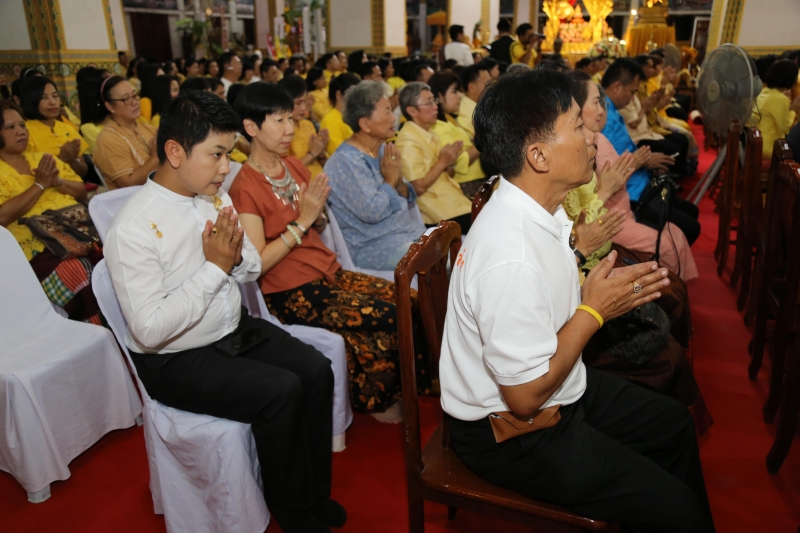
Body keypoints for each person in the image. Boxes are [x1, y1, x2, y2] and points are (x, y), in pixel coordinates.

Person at [440, 68, 715, 532]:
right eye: (578, 125)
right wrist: (594, 309)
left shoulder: (531, 208)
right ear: (539, 155)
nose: (593, 138)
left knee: (673, 425)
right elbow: (524, 398)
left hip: (562, 388)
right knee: (679, 511)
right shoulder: (509, 256)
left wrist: (582, 260)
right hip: (515, 434)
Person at [104, 90, 344, 533]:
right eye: (216, 155)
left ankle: (311, 494)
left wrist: (236, 256)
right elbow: (149, 329)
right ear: (175, 151)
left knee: (316, 370)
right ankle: (291, 508)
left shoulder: (211, 195)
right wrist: (215, 267)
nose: (225, 168)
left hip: (230, 327)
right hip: (175, 357)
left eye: (228, 154)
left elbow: (249, 269)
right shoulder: (134, 228)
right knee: (281, 391)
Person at [229, 82, 431, 423]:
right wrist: (303, 220)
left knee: (410, 301)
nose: (290, 129)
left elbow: (318, 223)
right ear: (251, 128)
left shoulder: (292, 167)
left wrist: (317, 215)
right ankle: (374, 398)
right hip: (292, 290)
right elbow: (258, 262)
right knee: (387, 314)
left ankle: (418, 382)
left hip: (327, 270)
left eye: (290, 119)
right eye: (279, 121)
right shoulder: (245, 186)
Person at [569, 72, 698, 280]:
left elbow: (615, 174)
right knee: (666, 245)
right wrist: (625, 172)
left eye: (603, 105)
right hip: (609, 221)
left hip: (623, 211)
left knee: (677, 233)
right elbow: (582, 213)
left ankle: (675, 289)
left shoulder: (598, 138)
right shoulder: (577, 150)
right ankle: (667, 291)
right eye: (596, 104)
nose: (602, 112)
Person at [0, 99, 100, 323]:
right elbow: (2, 217)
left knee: (114, 252)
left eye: (22, 125)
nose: (20, 132)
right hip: (38, 246)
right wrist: (40, 185)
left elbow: (82, 192)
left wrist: (57, 182)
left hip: (79, 231)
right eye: (11, 127)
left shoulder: (43, 158)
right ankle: (99, 330)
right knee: (78, 269)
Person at [324, 81, 425, 270]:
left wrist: (399, 179)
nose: (393, 118)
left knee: (457, 250)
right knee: (443, 261)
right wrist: (390, 179)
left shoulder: (380, 150)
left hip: (405, 233)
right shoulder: (345, 162)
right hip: (375, 246)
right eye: (387, 112)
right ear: (365, 124)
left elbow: (409, 196)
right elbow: (372, 211)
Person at [601, 59, 700, 245]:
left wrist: (647, 163)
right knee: (691, 226)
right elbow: (606, 165)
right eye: (632, 92)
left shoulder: (610, 111)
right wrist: (644, 161)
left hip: (641, 182)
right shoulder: (603, 116)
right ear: (616, 86)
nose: (632, 98)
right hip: (632, 193)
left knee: (691, 212)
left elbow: (622, 152)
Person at [395, 82, 473, 234]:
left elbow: (447, 174)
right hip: (437, 211)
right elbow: (418, 187)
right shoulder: (407, 141)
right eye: (428, 102)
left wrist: (449, 163)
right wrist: (443, 161)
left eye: (434, 100)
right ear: (412, 110)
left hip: (452, 200)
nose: (435, 106)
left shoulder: (429, 133)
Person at [92, 76, 158, 189]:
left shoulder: (146, 127)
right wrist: (157, 157)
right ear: (109, 106)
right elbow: (128, 184)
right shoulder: (108, 139)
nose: (134, 102)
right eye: (126, 99)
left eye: (134, 95)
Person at [428, 72, 486, 198]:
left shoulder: (452, 120)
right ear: (440, 96)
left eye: (460, 91)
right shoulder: (438, 126)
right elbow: (458, 162)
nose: (460, 96)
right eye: (454, 91)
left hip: (478, 179)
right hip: (467, 185)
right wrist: (481, 139)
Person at [19, 77, 89, 180]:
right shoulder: (24, 131)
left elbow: (83, 172)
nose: (53, 102)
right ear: (31, 100)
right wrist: (62, 157)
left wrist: (73, 159)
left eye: (55, 96)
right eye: (44, 98)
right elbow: (29, 177)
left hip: (76, 188)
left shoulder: (67, 128)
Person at [278, 75, 328, 176]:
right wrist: (312, 154)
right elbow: (284, 172)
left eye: (305, 102)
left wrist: (321, 154)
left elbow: (326, 165)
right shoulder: (280, 130)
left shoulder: (307, 125)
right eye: (298, 103)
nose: (304, 107)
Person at [750, 59, 800, 160]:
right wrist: (793, 110)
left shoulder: (764, 92)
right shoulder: (780, 99)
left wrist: (787, 105)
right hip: (770, 148)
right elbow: (785, 127)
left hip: (755, 143)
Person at [319, 73, 360, 157]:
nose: (359, 99)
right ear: (339, 95)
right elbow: (340, 154)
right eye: (354, 95)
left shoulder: (354, 114)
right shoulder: (330, 120)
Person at [457, 63, 491, 138]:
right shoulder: (464, 111)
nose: (490, 88)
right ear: (472, 87)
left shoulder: (480, 105)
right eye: (487, 84)